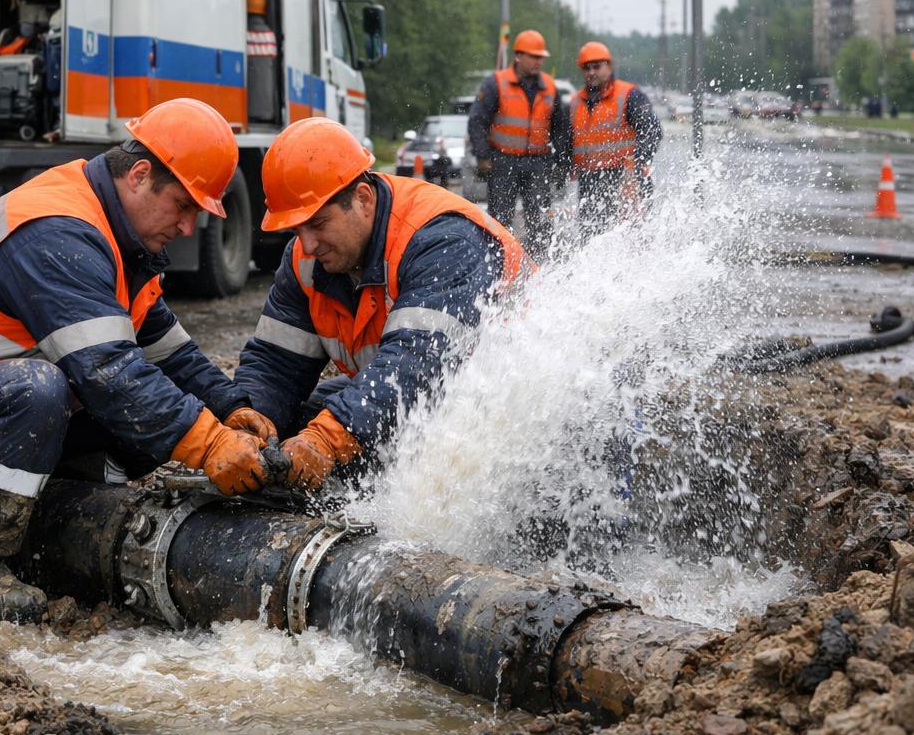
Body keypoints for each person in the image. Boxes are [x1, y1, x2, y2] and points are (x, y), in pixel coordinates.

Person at [0, 98, 277, 621]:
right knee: (39, 389)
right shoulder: (58, 230)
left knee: (147, 428)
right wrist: (209, 444)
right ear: (140, 176)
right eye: (183, 207)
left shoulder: (119, 242)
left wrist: (230, 409)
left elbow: (170, 354)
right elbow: (109, 374)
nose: (189, 228)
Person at [236, 118, 528, 491]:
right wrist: (246, 428)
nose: (306, 245)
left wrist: (327, 440)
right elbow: (276, 364)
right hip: (426, 394)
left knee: (335, 432)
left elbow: (413, 367)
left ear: (362, 198)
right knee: (298, 426)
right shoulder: (306, 259)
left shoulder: (442, 240)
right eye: (296, 229)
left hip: (507, 409)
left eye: (318, 224)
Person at [467, 29, 572, 260]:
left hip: (538, 162)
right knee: (500, 221)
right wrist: (482, 155)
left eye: (540, 57)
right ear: (518, 56)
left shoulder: (549, 87)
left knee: (541, 220)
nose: (538, 61)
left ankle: (540, 264)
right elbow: (478, 120)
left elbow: (560, 128)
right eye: (533, 56)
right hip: (503, 162)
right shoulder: (496, 83)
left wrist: (562, 161)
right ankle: (499, 264)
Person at [569, 41, 662, 236]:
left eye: (597, 66)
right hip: (590, 181)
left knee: (631, 237)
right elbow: (565, 143)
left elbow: (652, 131)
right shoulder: (575, 103)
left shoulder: (629, 95)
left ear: (609, 66)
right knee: (591, 239)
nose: (591, 72)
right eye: (586, 68)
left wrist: (637, 164)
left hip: (627, 178)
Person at [246, 0, 279, 125]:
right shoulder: (269, 34)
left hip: (248, 108)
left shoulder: (244, 33)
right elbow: (273, 59)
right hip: (267, 109)